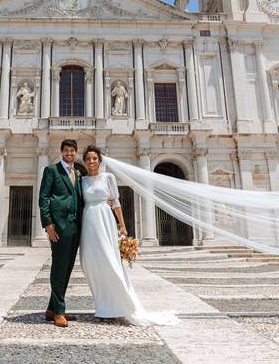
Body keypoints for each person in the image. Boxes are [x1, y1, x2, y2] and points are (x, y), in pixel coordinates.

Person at [78, 145, 179, 326]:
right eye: (88, 159)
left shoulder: (108, 177)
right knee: (91, 265)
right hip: (88, 223)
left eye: (94, 158)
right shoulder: (82, 181)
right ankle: (103, 306)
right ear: (84, 161)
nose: (91, 161)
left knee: (110, 263)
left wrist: (122, 225)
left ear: (100, 160)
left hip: (104, 221)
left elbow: (115, 202)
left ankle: (118, 306)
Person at [38, 139, 83, 328]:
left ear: (75, 152)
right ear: (61, 152)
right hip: (58, 226)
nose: (69, 154)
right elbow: (44, 197)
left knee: (67, 268)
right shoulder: (52, 170)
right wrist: (48, 224)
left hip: (75, 225)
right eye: (66, 151)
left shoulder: (78, 173)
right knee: (58, 267)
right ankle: (59, 312)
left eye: (72, 151)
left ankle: (51, 308)